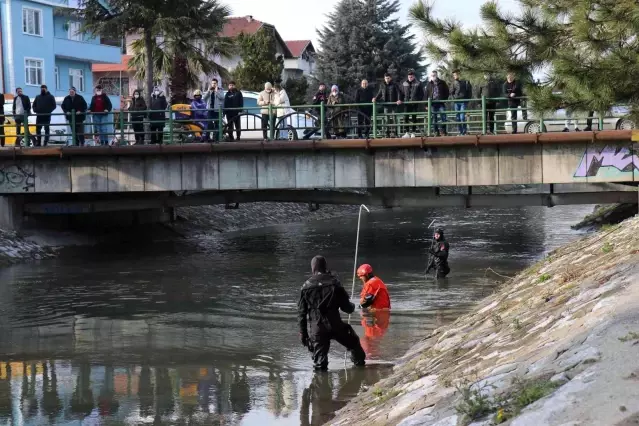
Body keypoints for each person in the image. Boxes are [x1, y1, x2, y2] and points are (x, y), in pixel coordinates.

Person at [298, 255, 366, 371]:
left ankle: (321, 384)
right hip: (336, 325)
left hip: (317, 329)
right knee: (354, 344)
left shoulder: (305, 287)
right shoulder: (334, 283)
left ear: (313, 268)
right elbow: (347, 308)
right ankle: (359, 373)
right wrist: (353, 306)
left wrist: (303, 335)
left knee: (320, 364)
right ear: (325, 267)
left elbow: (301, 314)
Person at [374, 73, 403, 138]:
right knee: (387, 119)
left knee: (394, 119)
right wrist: (375, 98)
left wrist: (399, 100)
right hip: (386, 105)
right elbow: (380, 93)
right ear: (384, 78)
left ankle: (395, 133)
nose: (387, 79)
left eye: (388, 78)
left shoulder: (395, 84)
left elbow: (398, 92)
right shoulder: (382, 85)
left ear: (390, 78)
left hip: (393, 105)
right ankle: (387, 134)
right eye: (386, 78)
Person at [425, 70, 450, 136]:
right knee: (434, 118)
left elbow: (447, 92)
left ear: (437, 75)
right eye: (432, 75)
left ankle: (443, 131)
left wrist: (444, 99)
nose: (433, 76)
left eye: (434, 75)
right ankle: (436, 132)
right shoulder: (429, 84)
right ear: (431, 76)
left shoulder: (442, 83)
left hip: (441, 103)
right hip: (432, 104)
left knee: (443, 117)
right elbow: (426, 94)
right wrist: (426, 105)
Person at [401, 70, 424, 138]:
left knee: (414, 118)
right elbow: (402, 93)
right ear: (408, 77)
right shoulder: (404, 83)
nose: (410, 78)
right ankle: (407, 133)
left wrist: (417, 100)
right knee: (406, 118)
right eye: (409, 76)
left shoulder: (418, 83)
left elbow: (421, 94)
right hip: (406, 103)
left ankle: (413, 133)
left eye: (411, 76)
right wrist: (402, 100)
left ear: (413, 76)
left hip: (414, 103)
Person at [450, 70, 472, 135]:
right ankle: (460, 131)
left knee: (462, 117)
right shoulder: (453, 83)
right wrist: (454, 98)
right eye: (454, 75)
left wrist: (467, 100)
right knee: (458, 117)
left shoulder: (466, 82)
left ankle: (464, 131)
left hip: (463, 101)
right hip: (456, 102)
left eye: (456, 74)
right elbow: (451, 92)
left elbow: (469, 92)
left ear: (459, 74)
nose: (455, 76)